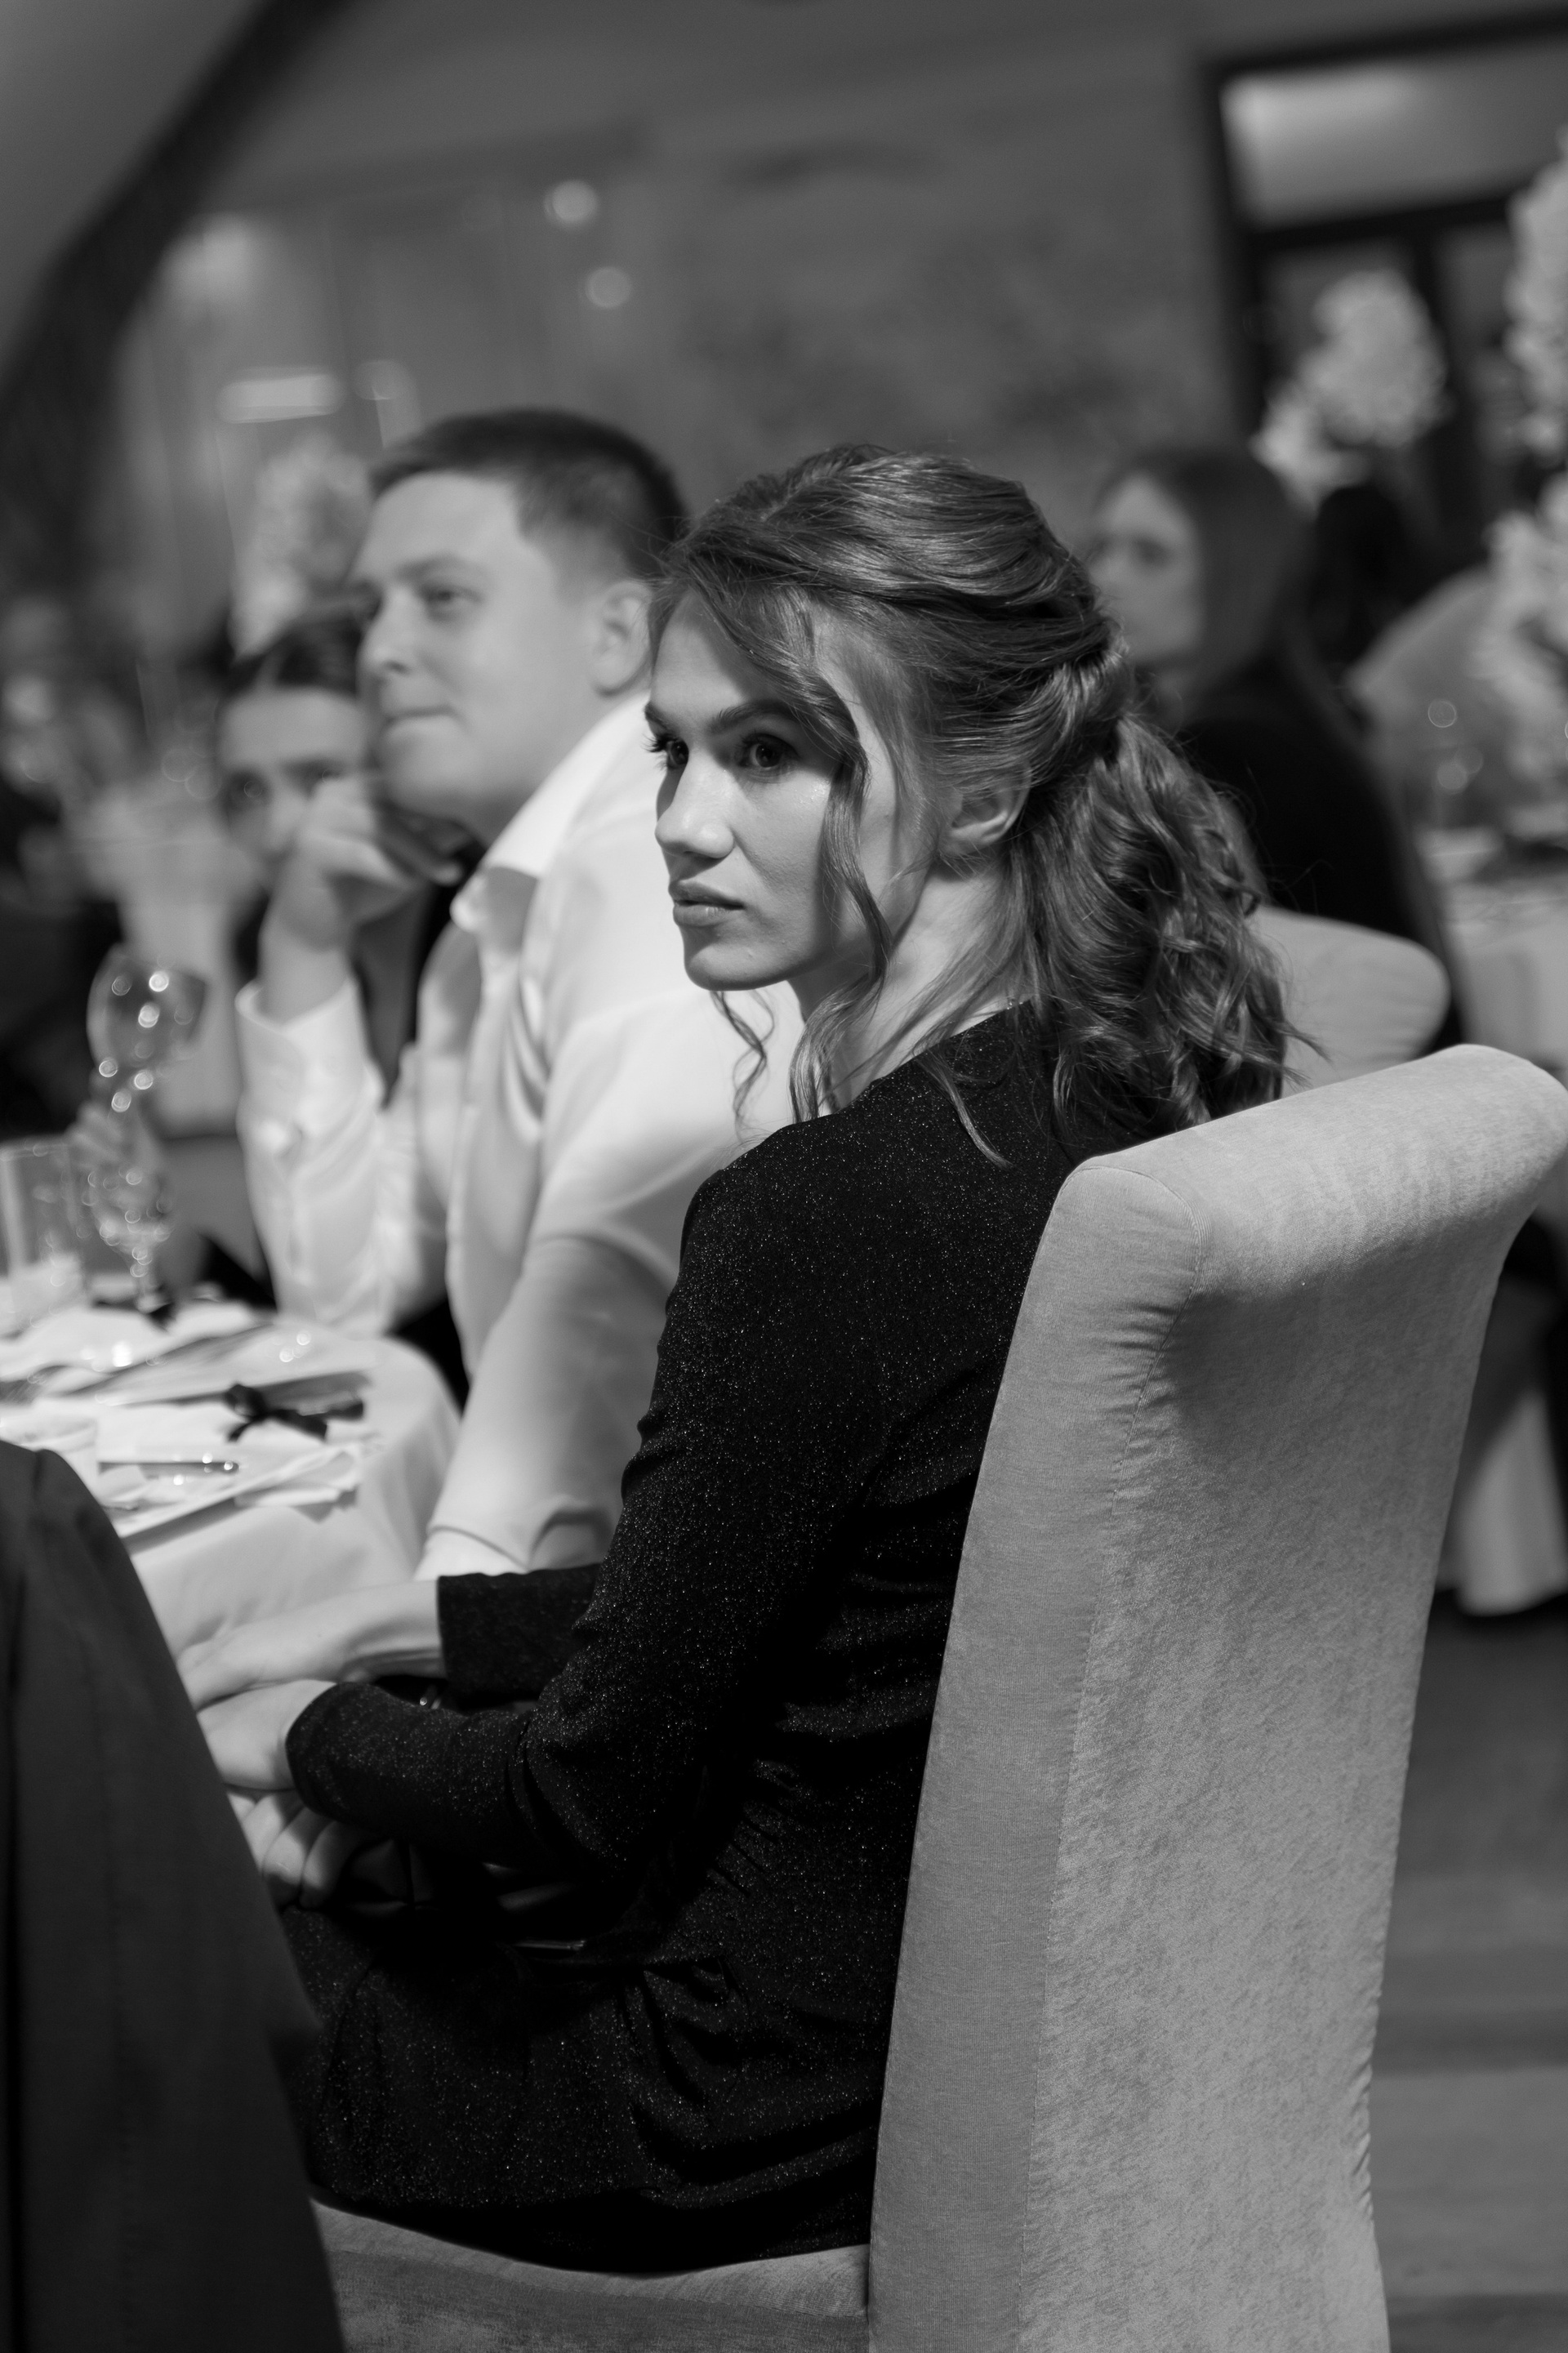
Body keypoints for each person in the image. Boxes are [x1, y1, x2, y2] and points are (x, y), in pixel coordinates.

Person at [186, 446, 1288, 2271]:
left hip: (707, 2105)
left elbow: (577, 1795)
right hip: (967, 2022)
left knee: (92, 1910)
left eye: (770, 753)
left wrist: (289, 1735)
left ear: (987, 778)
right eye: (672, 752)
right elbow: (813, 1606)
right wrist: (396, 1627)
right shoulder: (1105, 1085)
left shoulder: (831, 1214)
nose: (684, 822)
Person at [235, 411, 792, 1573]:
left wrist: (444, 1641)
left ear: (618, 632)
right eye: (368, 610)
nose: (379, 653)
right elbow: (341, 1293)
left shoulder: (649, 861)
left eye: (441, 598)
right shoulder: (496, 912)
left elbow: (605, 1339)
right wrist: (304, 939)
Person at [1088, 446, 1437, 951]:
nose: (1107, 577)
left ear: (1238, 574)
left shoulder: (1226, 752)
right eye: (1101, 547)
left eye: (1150, 555)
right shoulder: (1308, 713)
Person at [218, 603, 450, 1094]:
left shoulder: (489, 941)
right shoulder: (268, 941)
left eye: (321, 777)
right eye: (249, 792)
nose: (278, 832)